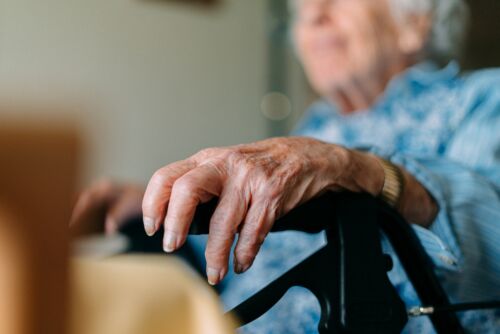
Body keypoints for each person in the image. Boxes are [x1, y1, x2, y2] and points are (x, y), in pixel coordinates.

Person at [71, 0, 500, 332]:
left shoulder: (481, 100)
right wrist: (159, 207)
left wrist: (361, 172)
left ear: (416, 22)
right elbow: (247, 250)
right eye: (302, 7)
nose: (312, 15)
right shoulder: (317, 127)